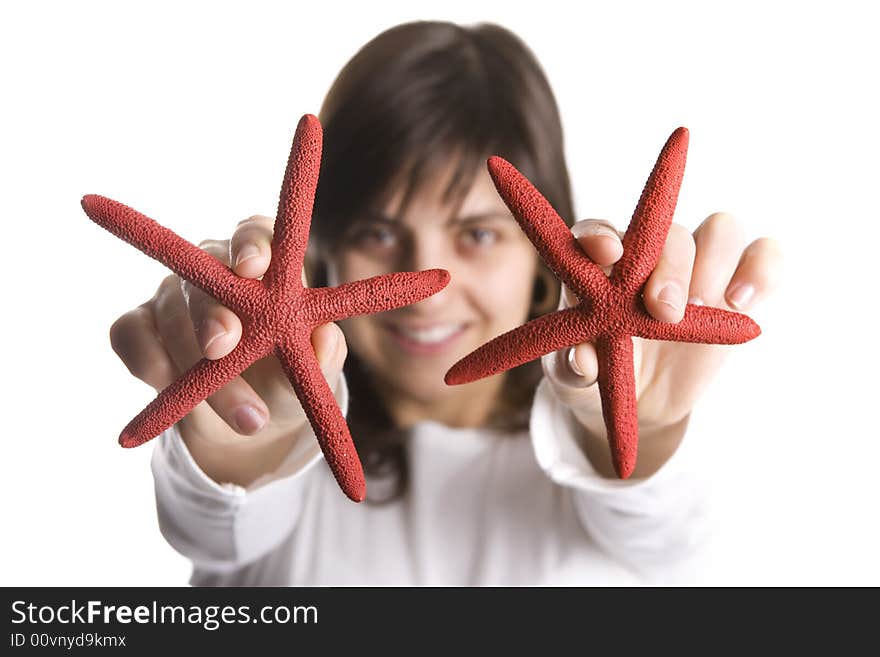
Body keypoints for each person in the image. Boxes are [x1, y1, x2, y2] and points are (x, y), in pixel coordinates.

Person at [109, 21, 781, 585]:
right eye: (376, 231)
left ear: (548, 257)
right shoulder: (291, 467)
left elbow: (669, 529)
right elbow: (213, 531)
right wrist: (246, 439)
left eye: (480, 233)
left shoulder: (600, 472)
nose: (428, 282)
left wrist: (641, 424)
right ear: (322, 250)